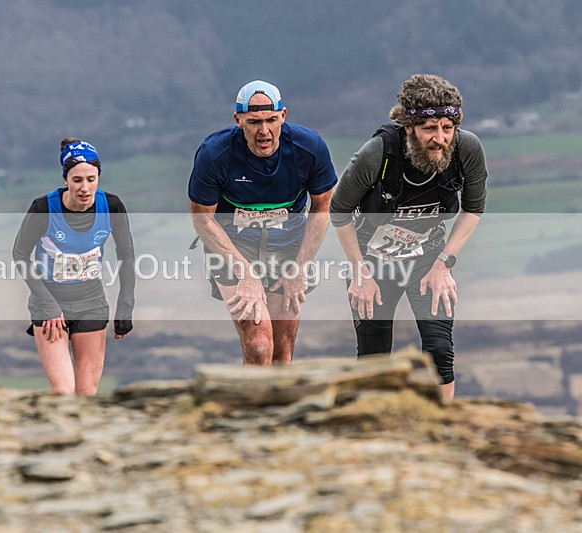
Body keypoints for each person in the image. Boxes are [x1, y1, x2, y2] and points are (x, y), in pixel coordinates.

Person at [329, 74, 488, 401]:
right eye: (430, 128)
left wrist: (444, 264)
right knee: (374, 359)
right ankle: (374, 430)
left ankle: (443, 431)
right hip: (373, 261)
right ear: (409, 127)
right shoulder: (378, 153)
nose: (440, 138)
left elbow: (473, 208)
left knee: (440, 350)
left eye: (447, 127)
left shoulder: (466, 148)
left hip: (428, 258)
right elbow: (339, 211)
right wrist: (360, 273)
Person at [188, 80, 337, 366]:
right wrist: (244, 273)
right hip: (234, 243)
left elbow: (322, 207)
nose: (264, 131)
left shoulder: (309, 147)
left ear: (283, 116)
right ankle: (248, 411)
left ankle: (278, 410)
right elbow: (202, 218)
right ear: (238, 120)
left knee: (281, 351)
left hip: (288, 244)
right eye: (254, 122)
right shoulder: (215, 153)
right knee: (258, 346)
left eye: (271, 120)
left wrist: (300, 267)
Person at [12, 138, 135, 396]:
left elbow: (127, 254)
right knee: (65, 392)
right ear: (66, 179)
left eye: (91, 179)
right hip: (49, 303)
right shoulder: (43, 208)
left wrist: (125, 306)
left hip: (91, 300)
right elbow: (20, 254)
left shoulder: (111, 207)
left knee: (87, 393)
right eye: (77, 180)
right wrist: (47, 303)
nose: (85, 188)